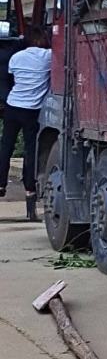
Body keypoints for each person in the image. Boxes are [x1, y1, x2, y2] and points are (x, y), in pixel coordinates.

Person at [0, 26, 51, 222]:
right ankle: (30, 198)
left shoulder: (16, 58)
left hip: (13, 107)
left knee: (6, 147)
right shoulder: (47, 56)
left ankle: (1, 185)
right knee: (31, 152)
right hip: (32, 111)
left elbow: (12, 77)